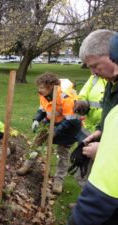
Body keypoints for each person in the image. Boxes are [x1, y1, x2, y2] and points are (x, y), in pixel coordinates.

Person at [68, 30, 118, 224]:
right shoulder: (110, 83)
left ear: (112, 55)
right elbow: (109, 116)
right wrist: (101, 131)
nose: (94, 72)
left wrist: (104, 150)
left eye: (96, 65)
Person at [17, 73, 81, 194]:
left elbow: (71, 120)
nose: (39, 90)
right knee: (36, 143)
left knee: (63, 154)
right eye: (39, 87)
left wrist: (56, 131)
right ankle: (27, 165)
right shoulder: (44, 95)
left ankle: (58, 181)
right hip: (51, 122)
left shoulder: (65, 97)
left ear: (51, 86)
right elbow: (42, 108)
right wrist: (36, 119)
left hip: (69, 128)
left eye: (41, 87)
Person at [73, 74, 106, 188]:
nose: (93, 70)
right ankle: (85, 200)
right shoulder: (94, 78)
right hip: (89, 130)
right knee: (84, 166)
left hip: (108, 132)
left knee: (101, 169)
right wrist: (81, 104)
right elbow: (83, 95)